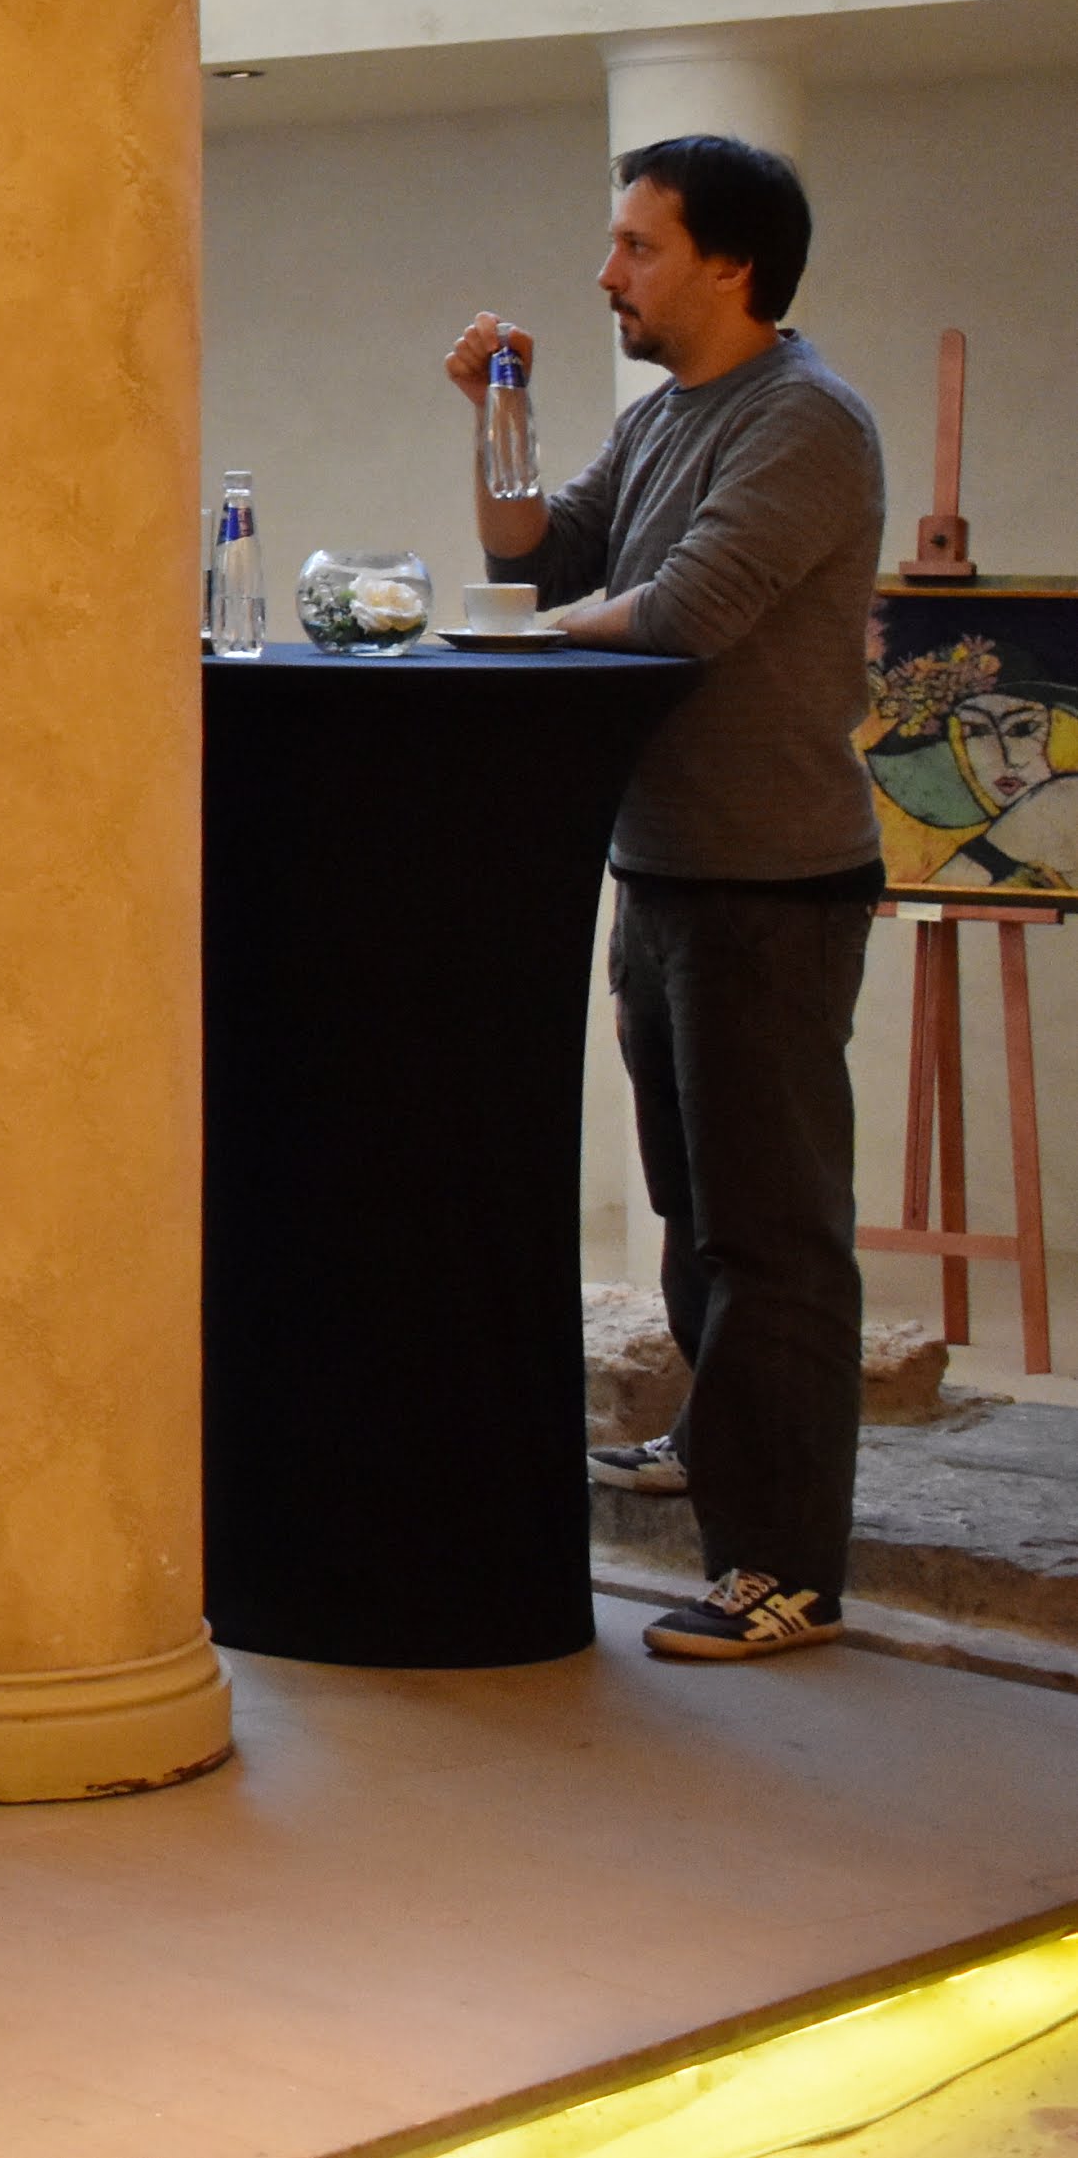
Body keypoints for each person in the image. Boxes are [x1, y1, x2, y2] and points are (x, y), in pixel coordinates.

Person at [457, 134, 885, 1664]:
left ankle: (785, 1568)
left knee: (773, 1236)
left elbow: (689, 609)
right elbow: (533, 553)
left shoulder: (804, 420)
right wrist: (498, 415)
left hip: (771, 885)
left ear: (730, 263)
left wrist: (510, 640)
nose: (605, 273)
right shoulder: (661, 417)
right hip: (663, 869)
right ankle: (720, 1450)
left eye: (636, 246)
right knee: (698, 1214)